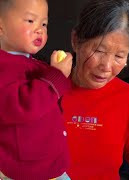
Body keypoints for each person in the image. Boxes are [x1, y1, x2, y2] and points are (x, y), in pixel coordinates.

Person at [61, 0, 129, 179]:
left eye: (119, 56)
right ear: (76, 41)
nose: (106, 66)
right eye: (98, 51)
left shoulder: (128, 98)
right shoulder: (45, 89)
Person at [0, 0, 73, 179]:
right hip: (24, 170)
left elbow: (55, 96)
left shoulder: (34, 64)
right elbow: (22, 106)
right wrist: (56, 75)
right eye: (30, 21)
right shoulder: (3, 66)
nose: (39, 29)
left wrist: (57, 72)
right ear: (0, 26)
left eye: (44, 23)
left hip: (47, 164)